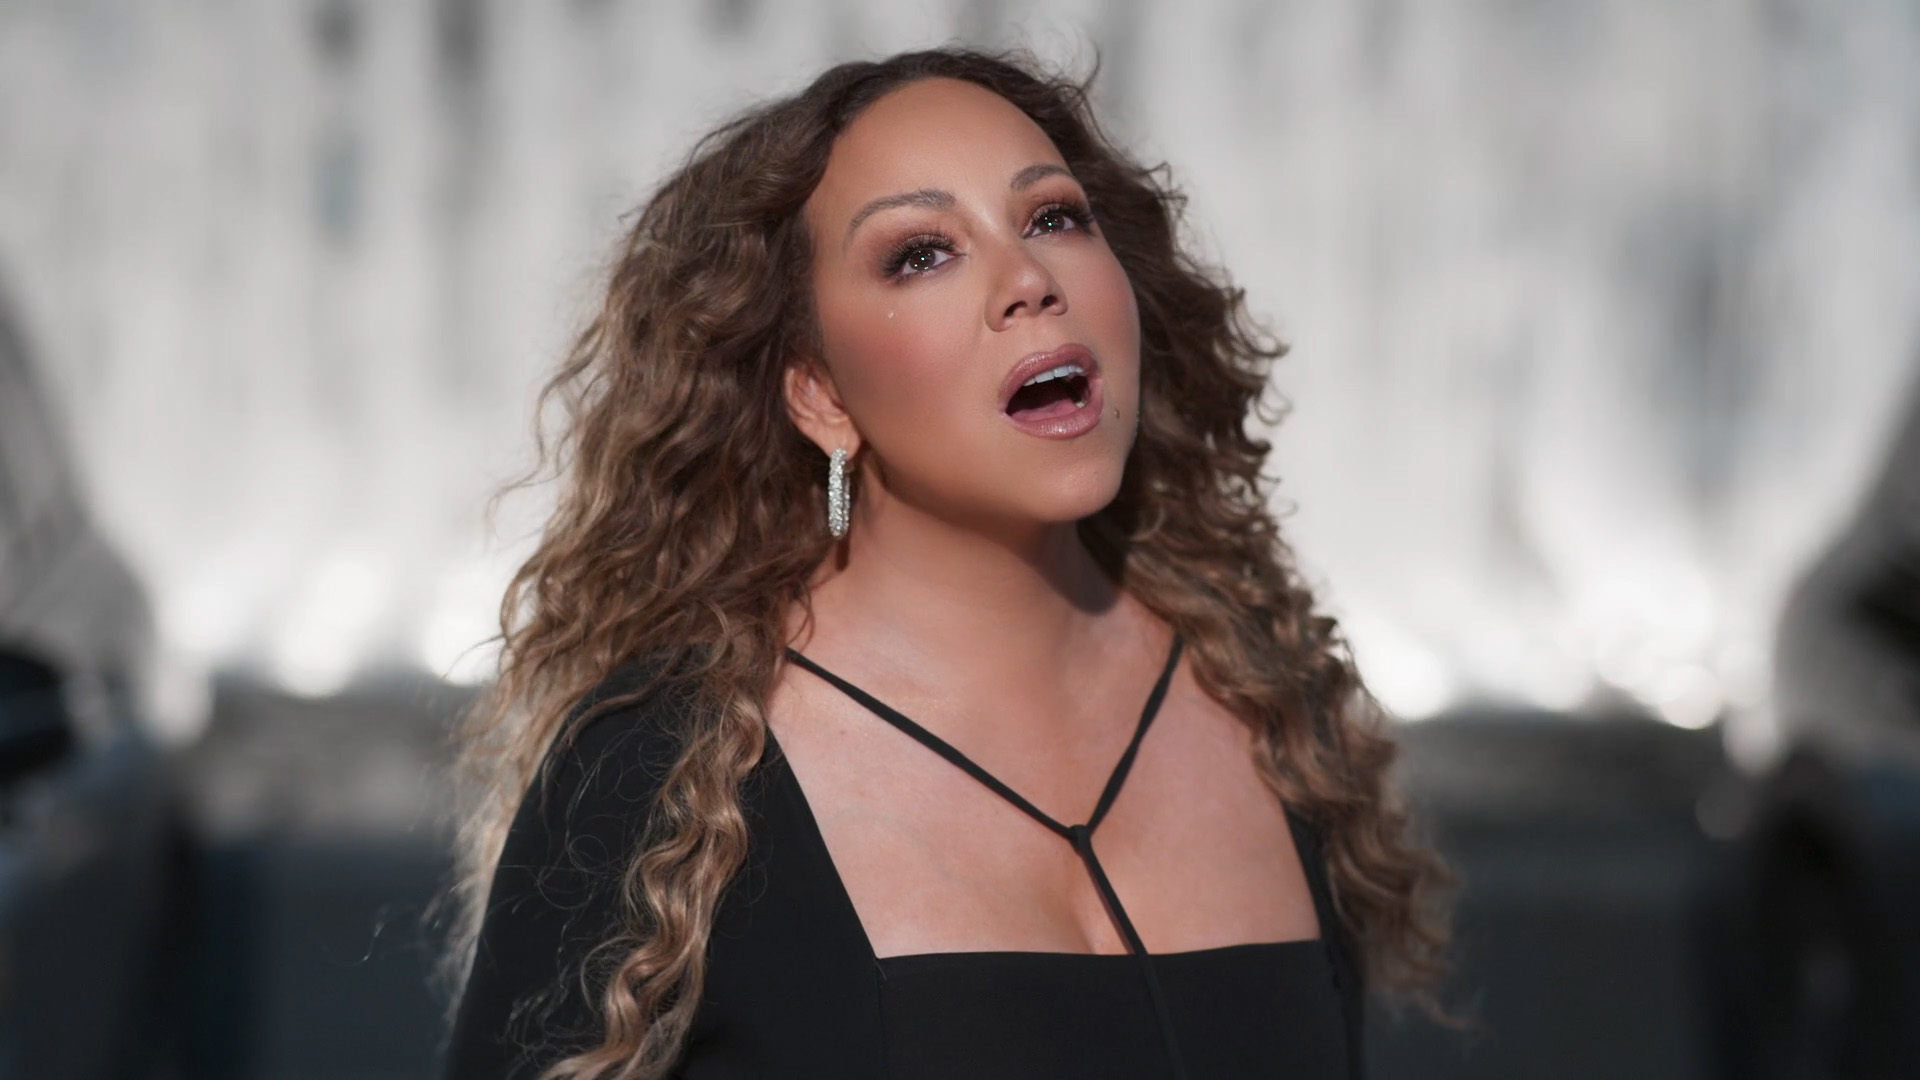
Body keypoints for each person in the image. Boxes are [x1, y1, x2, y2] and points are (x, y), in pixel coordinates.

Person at [439, 47, 1452, 1080]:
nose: (1029, 282)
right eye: (922, 253)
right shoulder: (663, 772)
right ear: (818, 393)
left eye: (1053, 218)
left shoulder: (1269, 711)